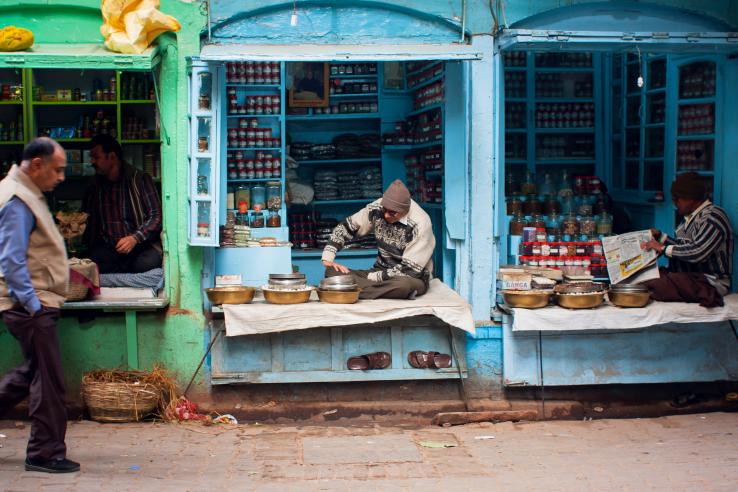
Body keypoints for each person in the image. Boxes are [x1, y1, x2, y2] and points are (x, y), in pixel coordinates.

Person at [0, 137, 80, 473]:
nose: (61, 177)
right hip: (31, 304)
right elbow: (12, 260)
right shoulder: (17, 200)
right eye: (57, 169)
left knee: (31, 372)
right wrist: (34, 306)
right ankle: (44, 453)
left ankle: (45, 450)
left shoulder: (26, 193)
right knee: (49, 381)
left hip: (34, 301)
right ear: (37, 165)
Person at [322, 179, 436, 300]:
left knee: (403, 286)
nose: (386, 215)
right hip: (379, 271)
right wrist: (328, 255)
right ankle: (380, 291)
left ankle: (349, 290)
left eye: (392, 213)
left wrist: (373, 278)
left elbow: (409, 271)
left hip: (411, 277)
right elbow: (347, 226)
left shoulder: (421, 223)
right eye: (384, 210)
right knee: (331, 273)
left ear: (405, 210)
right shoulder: (378, 207)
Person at [641, 172, 733, 307]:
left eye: (677, 199)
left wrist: (662, 248)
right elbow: (684, 246)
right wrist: (661, 237)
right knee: (646, 277)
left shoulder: (713, 217)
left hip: (710, 281)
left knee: (657, 285)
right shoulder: (690, 218)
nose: (674, 203)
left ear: (690, 199)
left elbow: (698, 252)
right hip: (688, 276)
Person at [84, 134, 162, 273]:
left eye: (96, 157)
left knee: (146, 264)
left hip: (140, 246)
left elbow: (156, 216)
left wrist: (134, 238)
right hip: (109, 249)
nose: (92, 162)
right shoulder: (94, 185)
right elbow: (88, 219)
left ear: (112, 157)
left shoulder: (139, 179)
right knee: (92, 263)